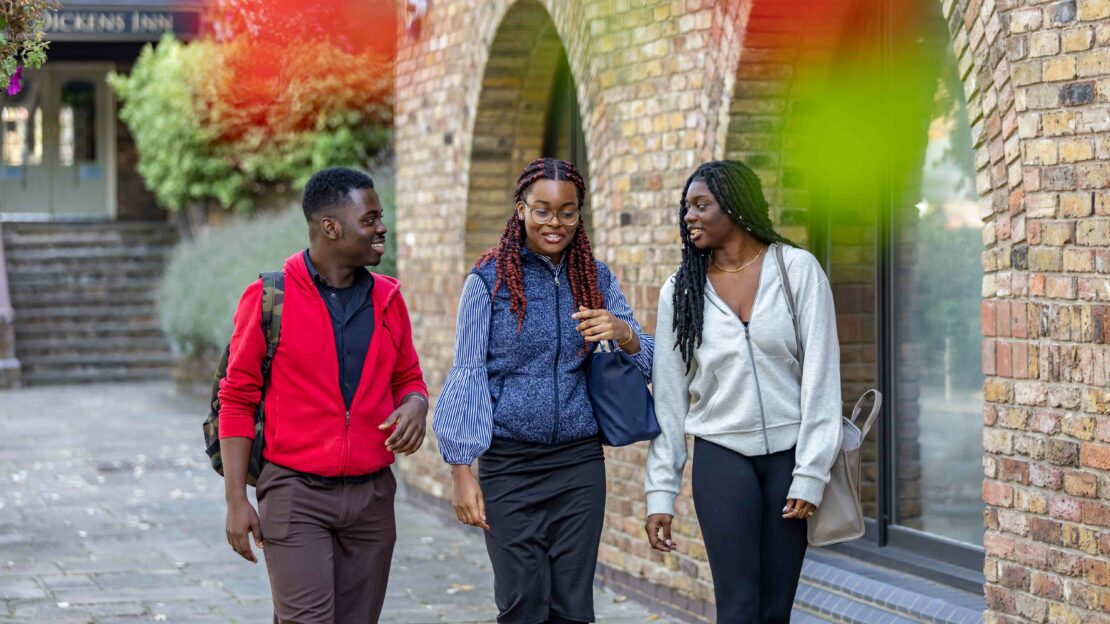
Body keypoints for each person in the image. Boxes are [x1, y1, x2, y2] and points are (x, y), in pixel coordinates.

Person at [433, 157, 654, 624]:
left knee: (574, 607)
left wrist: (623, 331)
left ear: (579, 214)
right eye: (543, 210)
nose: (555, 223)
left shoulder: (596, 279)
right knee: (522, 603)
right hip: (510, 465)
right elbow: (468, 373)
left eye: (567, 212)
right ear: (520, 209)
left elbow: (650, 361)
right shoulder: (487, 284)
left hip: (577, 465)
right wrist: (460, 469)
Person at [218, 167, 429, 623]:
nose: (382, 228)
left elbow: (408, 376)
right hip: (295, 492)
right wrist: (237, 500)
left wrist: (416, 404)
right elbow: (236, 400)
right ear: (330, 227)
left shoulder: (388, 299)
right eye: (370, 219)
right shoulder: (268, 298)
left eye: (380, 217)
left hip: (372, 498)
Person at [644, 160, 842, 623]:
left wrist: (811, 472)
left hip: (789, 459)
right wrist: (660, 493)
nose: (688, 216)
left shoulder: (797, 272)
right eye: (686, 207)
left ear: (734, 206)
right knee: (737, 607)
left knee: (776, 610)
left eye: (701, 205)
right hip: (722, 456)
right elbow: (670, 400)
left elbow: (821, 379)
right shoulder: (681, 292)